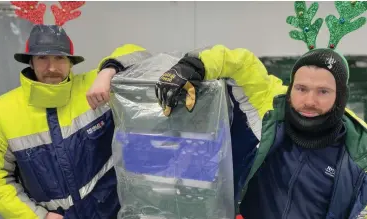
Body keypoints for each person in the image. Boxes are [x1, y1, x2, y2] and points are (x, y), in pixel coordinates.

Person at [154, 2, 367, 218]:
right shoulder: (269, 109)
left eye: (323, 91)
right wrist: (194, 65)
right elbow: (241, 64)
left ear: (340, 97)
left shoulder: (360, 154)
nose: (309, 100)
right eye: (301, 88)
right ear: (291, 86)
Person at [0, 20, 151, 219]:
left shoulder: (93, 86)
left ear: (71, 62)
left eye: (60, 57)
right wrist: (39, 216)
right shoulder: (1, 111)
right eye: (42, 58)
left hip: (112, 212)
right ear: (30, 61)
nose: (52, 67)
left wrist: (109, 71)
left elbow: (139, 53)